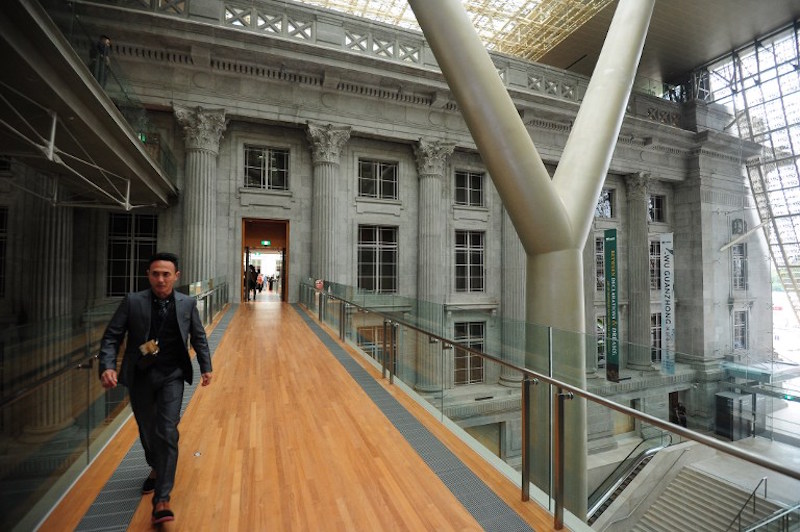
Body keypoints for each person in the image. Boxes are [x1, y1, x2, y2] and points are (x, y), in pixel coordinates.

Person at [98, 252, 213, 525]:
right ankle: (155, 465)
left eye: (166, 274)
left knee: (168, 431)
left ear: (176, 276)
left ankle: (162, 498)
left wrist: (206, 366)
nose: (161, 279)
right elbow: (112, 336)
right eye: (155, 274)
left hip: (172, 375)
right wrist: (107, 366)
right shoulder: (133, 302)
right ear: (148, 275)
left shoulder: (187, 303)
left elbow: (198, 335)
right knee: (148, 431)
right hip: (141, 377)